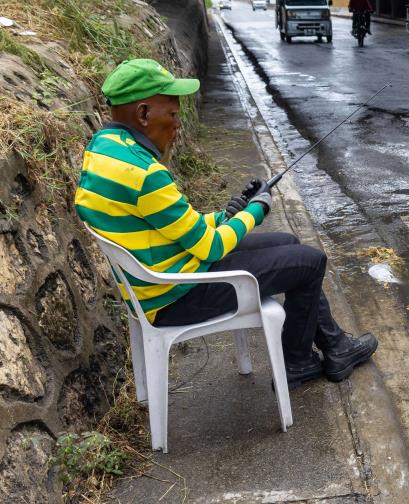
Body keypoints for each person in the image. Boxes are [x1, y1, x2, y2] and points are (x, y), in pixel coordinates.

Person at [74, 59, 377, 388]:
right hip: (179, 297)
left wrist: (226, 215)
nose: (177, 125)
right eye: (173, 115)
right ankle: (297, 362)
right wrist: (257, 210)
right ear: (144, 114)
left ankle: (335, 346)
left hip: (164, 279)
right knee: (311, 262)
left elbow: (176, 227)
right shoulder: (145, 174)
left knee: (290, 244)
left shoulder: (103, 152)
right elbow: (210, 246)